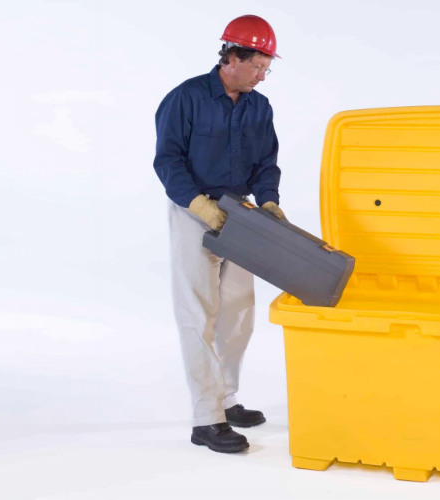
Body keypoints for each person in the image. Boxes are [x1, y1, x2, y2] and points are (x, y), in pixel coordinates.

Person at [153, 14, 285, 454]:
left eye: (267, 68)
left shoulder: (259, 107)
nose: (262, 75)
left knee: (238, 310)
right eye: (257, 66)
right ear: (232, 57)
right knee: (198, 313)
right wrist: (199, 206)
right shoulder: (185, 98)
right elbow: (168, 160)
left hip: (239, 214)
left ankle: (226, 400)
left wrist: (268, 201)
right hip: (194, 210)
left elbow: (266, 162)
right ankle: (206, 419)